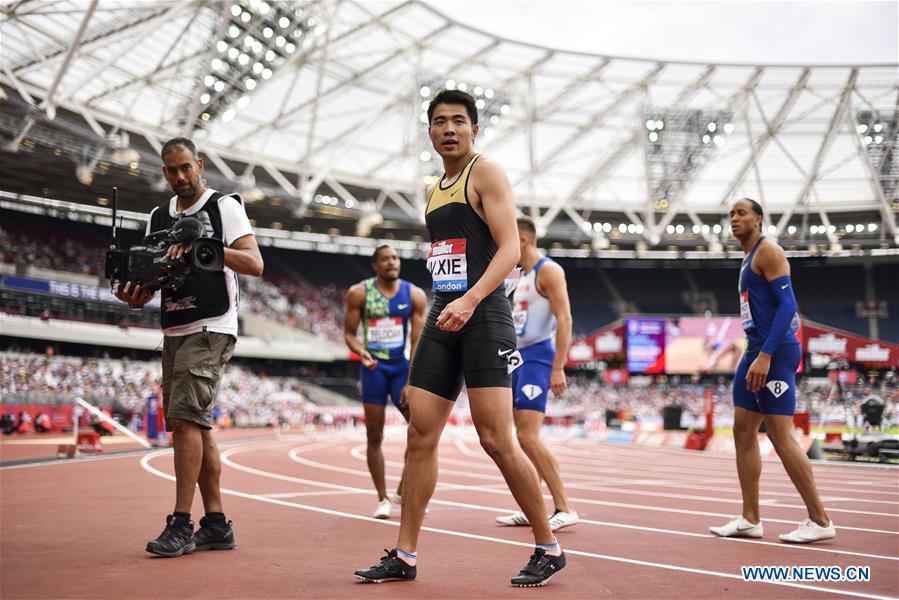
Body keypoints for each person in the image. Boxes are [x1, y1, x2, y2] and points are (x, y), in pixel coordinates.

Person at [354, 89, 566, 587]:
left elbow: (511, 248)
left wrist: (470, 299)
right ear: (429, 132)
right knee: (419, 434)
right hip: (443, 317)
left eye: (458, 121)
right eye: (439, 122)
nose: (448, 129)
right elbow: (446, 257)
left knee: (496, 438)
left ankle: (547, 545)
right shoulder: (436, 187)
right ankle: (405, 555)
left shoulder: (485, 172)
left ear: (474, 129)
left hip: (485, 314)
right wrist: (448, 303)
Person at [116, 137, 263, 557]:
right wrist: (138, 292)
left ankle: (181, 523)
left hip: (213, 324)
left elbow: (255, 263)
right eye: (172, 170)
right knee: (195, 425)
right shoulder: (158, 216)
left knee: (183, 420)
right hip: (174, 327)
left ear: (199, 165)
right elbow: (155, 277)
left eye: (187, 167)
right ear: (165, 172)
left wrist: (210, 249)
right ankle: (216, 524)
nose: (181, 176)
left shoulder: (224, 207)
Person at [710, 198, 835, 544]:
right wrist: (754, 353)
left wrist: (765, 356)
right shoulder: (748, 258)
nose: (734, 219)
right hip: (755, 351)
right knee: (742, 430)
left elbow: (788, 306)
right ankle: (750, 518)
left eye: (741, 213)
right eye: (731, 214)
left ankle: (820, 520)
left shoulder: (769, 252)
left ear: (759, 219)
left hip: (775, 352)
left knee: (781, 435)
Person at [495, 216, 578, 531]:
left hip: (540, 357)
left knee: (528, 436)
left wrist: (558, 365)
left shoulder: (549, 271)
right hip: (517, 358)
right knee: (520, 437)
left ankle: (564, 507)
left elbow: (565, 318)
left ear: (523, 240)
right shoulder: (516, 275)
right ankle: (534, 508)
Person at [344, 244, 426, 518]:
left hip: (401, 369)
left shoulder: (413, 294)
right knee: (374, 434)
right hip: (374, 368)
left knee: (419, 430)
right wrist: (360, 351)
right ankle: (382, 498)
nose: (391, 262)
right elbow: (349, 334)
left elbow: (417, 338)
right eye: (385, 259)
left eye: (395, 258)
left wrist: (411, 378)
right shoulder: (360, 293)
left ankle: (403, 490)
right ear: (375, 266)